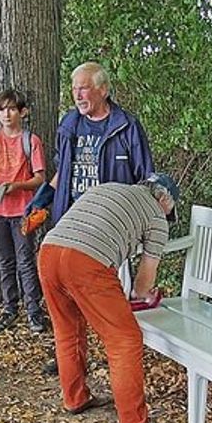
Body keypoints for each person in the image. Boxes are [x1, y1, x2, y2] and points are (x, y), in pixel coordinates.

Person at [25, 61, 157, 373]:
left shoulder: (126, 126)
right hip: (70, 224)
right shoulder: (69, 125)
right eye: (74, 89)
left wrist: (144, 223)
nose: (78, 95)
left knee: (108, 300)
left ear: (103, 89)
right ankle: (72, 361)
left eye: (84, 88)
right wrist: (41, 201)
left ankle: (120, 357)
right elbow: (61, 174)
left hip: (109, 229)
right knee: (67, 302)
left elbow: (145, 179)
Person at [38, 175, 183, 423]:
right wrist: (147, 294)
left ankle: (75, 398)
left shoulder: (110, 188)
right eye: (169, 209)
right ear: (164, 199)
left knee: (68, 330)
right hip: (86, 263)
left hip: (49, 252)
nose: (167, 214)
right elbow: (142, 284)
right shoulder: (156, 216)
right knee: (125, 340)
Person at [0, 89, 47, 333]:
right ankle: (9, 308)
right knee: (6, 261)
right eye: (2, 109)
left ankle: (34, 312)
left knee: (25, 260)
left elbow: (40, 179)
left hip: (23, 210)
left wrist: (17, 186)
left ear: (22, 112)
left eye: (12, 108)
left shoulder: (31, 141)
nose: (6, 114)